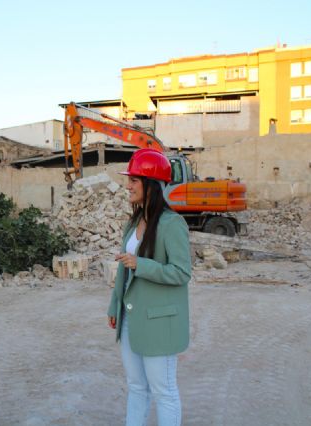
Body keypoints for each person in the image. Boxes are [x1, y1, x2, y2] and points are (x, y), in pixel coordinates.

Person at [107, 148, 192, 426]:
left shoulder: (172, 224)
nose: (128, 185)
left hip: (158, 322)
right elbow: (124, 267)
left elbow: (181, 272)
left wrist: (140, 264)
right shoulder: (133, 222)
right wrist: (114, 305)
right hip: (131, 318)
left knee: (164, 391)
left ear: (152, 185)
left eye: (134, 180)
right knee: (136, 387)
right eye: (128, 179)